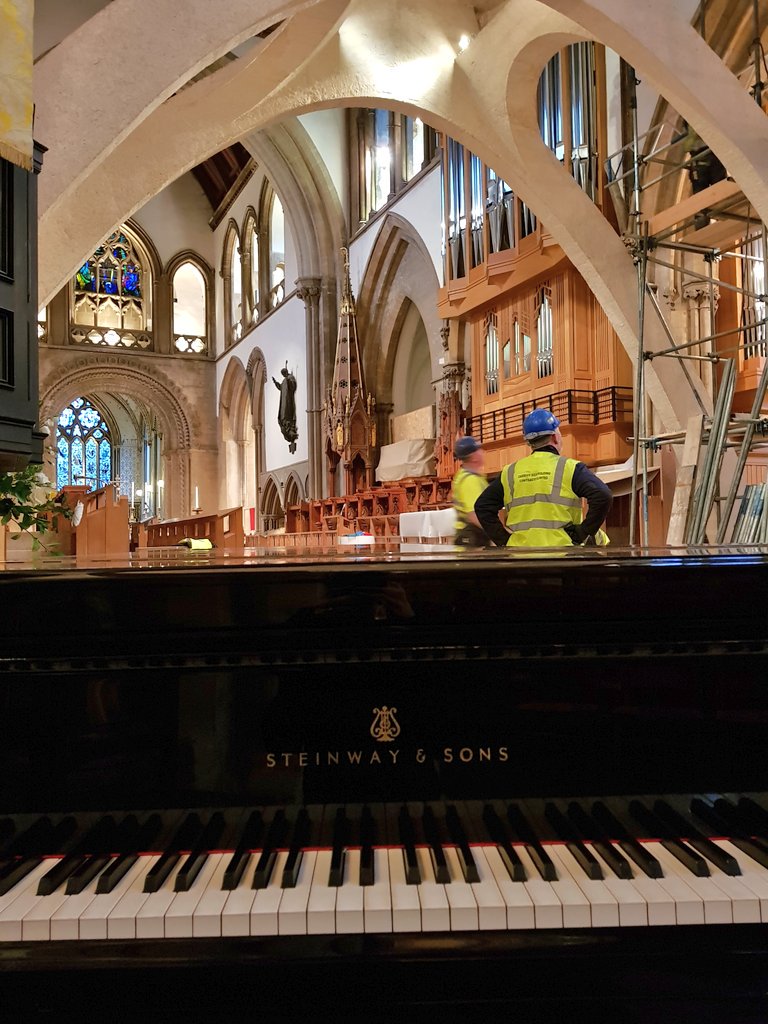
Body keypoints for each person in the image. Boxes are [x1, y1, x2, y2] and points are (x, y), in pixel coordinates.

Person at [474, 408, 612, 548]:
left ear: (529, 443)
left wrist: (504, 541)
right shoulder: (569, 468)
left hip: (520, 557)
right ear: (554, 437)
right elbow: (602, 495)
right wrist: (582, 532)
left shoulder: (510, 472)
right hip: (561, 555)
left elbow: (482, 507)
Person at [451, 436, 489, 547]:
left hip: (474, 542)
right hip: (471, 547)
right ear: (474, 456)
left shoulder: (473, 477)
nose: (482, 452)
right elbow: (475, 515)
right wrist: (499, 534)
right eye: (479, 449)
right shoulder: (469, 480)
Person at [272, 364, 298, 454]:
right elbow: (281, 388)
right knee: (283, 415)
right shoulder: (284, 380)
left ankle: (290, 429)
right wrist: (276, 383)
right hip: (283, 402)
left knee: (287, 414)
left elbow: (293, 386)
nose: (283, 375)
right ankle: (287, 427)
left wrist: (288, 380)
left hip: (288, 402)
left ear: (286, 372)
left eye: (284, 373)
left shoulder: (290, 377)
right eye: (283, 374)